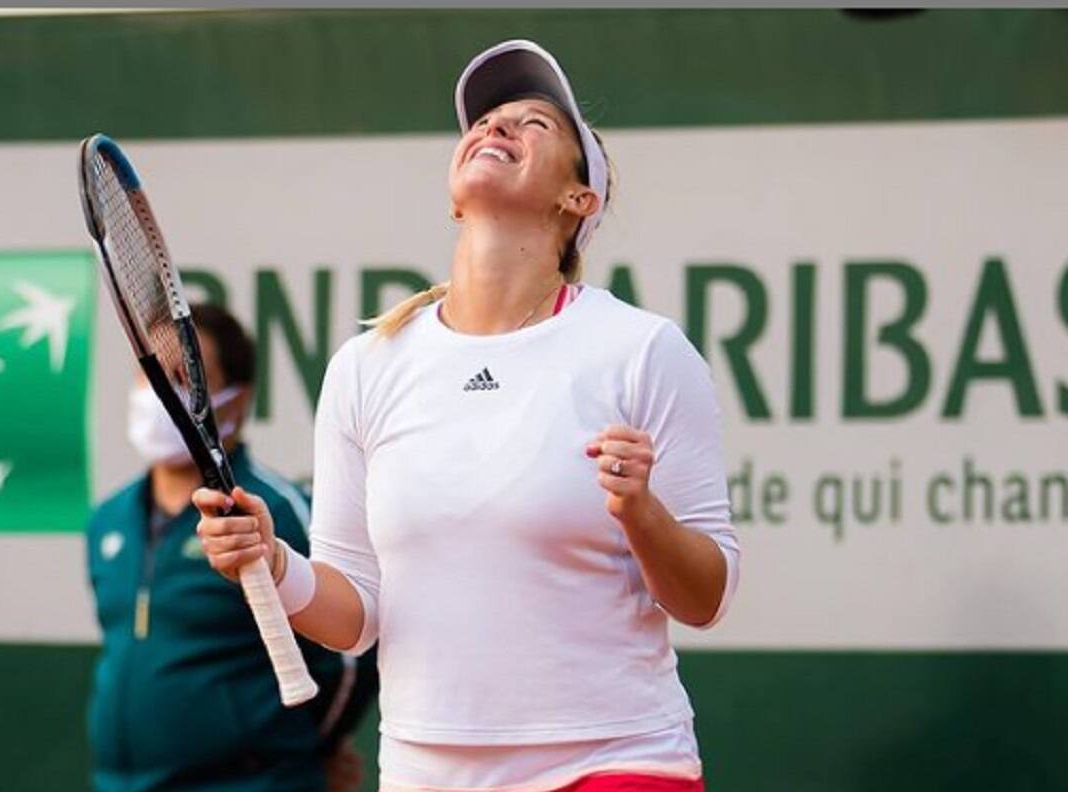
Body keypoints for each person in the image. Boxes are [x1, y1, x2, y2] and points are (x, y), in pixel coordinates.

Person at [195, 40, 739, 792]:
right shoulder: (367, 365)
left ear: (579, 201)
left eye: (533, 124)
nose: (496, 127)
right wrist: (273, 561)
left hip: (612, 759)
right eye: (484, 120)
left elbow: (705, 598)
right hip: (427, 770)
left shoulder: (642, 351)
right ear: (455, 194)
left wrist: (641, 513)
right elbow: (355, 615)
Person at [86, 302, 378, 792]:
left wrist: (313, 751)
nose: (159, 394)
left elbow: (351, 660)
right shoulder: (107, 521)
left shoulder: (282, 511)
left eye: (182, 377)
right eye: (150, 375)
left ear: (235, 402)